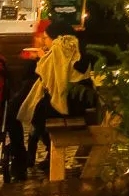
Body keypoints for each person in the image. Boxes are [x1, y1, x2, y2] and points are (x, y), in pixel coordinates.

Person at [11, 19, 89, 171]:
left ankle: (20, 157)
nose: (43, 41)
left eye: (46, 38)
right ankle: (33, 154)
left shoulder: (60, 50)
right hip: (78, 104)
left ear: (56, 38)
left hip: (67, 107)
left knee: (20, 110)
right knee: (33, 109)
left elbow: (49, 82)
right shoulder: (75, 48)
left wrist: (41, 59)